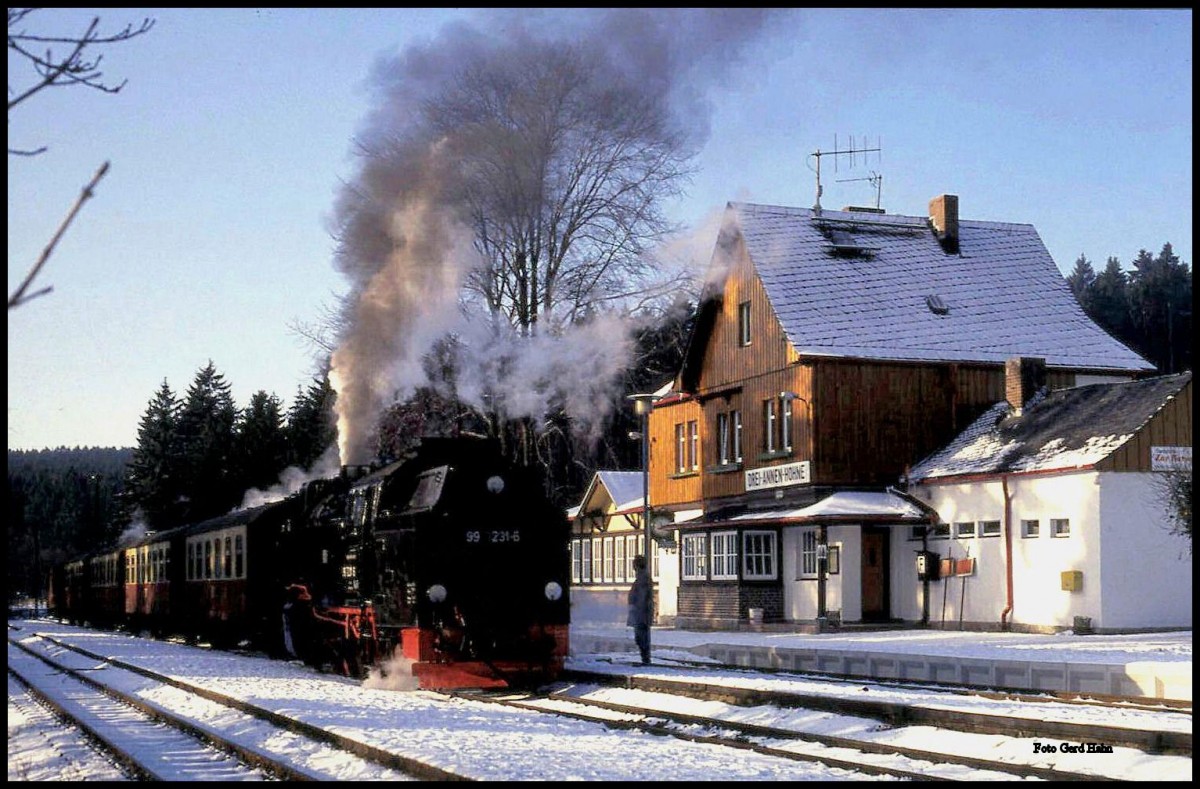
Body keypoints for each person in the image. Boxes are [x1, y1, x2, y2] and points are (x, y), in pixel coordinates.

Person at [627, 554, 653, 665]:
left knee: (641, 637)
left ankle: (645, 659)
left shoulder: (642, 578)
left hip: (641, 613)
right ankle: (645, 658)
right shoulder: (642, 577)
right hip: (642, 612)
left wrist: (637, 611)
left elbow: (642, 597)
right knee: (641, 637)